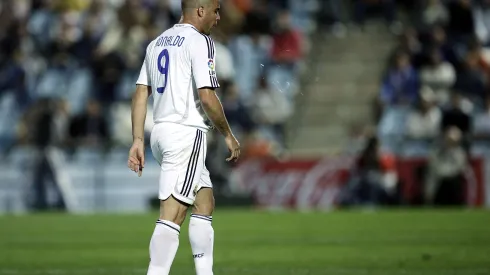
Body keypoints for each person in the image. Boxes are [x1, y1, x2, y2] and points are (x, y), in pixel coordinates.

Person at [127, 0, 241, 274]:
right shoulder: (200, 42)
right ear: (200, 10)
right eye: (215, 11)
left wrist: (138, 140)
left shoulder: (157, 43)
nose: (217, 18)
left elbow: (142, 92)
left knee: (204, 202)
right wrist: (228, 134)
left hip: (161, 132)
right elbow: (207, 96)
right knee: (173, 213)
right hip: (186, 134)